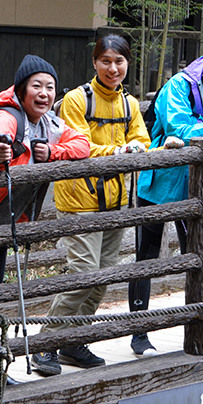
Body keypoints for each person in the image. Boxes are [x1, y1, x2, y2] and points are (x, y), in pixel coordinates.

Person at [0, 54, 90, 389]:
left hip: (0, 226)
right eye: (37, 86)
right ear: (21, 89)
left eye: (50, 86)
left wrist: (52, 152)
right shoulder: (6, 118)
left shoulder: (49, 125)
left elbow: (83, 144)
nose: (45, 93)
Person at [30, 35, 151, 376]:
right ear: (95, 62)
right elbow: (78, 145)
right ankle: (44, 344)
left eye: (120, 62)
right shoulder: (75, 99)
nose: (113, 68)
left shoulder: (129, 104)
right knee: (83, 275)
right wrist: (116, 152)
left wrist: (136, 148)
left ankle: (72, 341)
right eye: (106, 61)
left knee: (101, 279)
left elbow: (140, 138)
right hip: (79, 200)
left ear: (128, 64)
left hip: (114, 201)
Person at [127, 27, 203, 356]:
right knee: (146, 255)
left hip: (200, 186)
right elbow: (177, 125)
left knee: (198, 255)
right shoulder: (180, 84)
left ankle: (199, 328)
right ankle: (139, 332)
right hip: (162, 179)